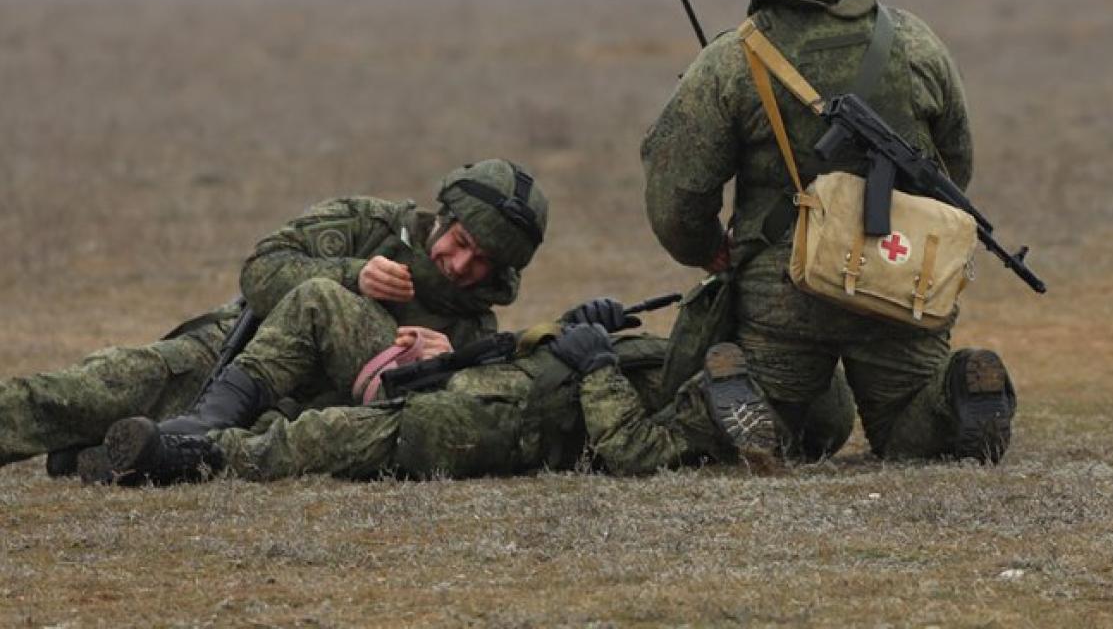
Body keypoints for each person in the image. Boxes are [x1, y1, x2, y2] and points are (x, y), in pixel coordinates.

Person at [640, 0, 1016, 463]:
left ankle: (746, 398)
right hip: (900, 276)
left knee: (766, 429)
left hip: (786, 287)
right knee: (912, 425)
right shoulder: (915, 41)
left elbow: (676, 196)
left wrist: (707, 250)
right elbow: (954, 167)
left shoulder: (730, 59)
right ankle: (957, 389)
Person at [0, 159, 548, 473]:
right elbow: (260, 270)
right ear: (445, 216)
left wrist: (445, 362)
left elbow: (451, 413)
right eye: (461, 242)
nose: (461, 265)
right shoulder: (367, 222)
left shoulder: (476, 326)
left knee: (174, 449)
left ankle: (96, 458)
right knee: (94, 389)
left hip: (288, 413)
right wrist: (350, 275)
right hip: (227, 356)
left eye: (482, 262)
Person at [87, 313, 857, 486]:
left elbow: (632, 454)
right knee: (342, 407)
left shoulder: (733, 408)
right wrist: (571, 330)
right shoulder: (718, 360)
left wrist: (596, 370)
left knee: (342, 438)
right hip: (499, 386)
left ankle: (189, 458)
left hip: (510, 425)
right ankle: (106, 453)